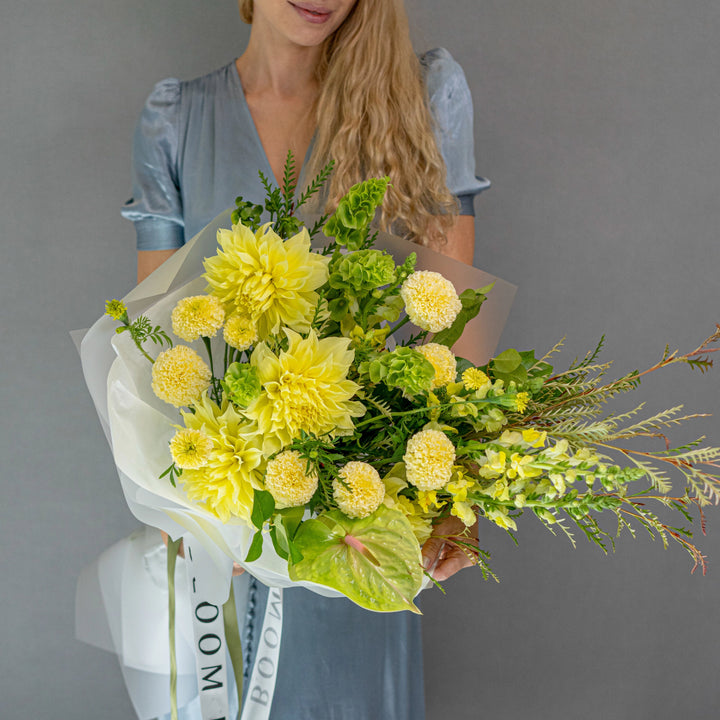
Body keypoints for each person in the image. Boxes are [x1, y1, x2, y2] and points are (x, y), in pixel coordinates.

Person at [121, 1, 489, 717]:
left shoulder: (422, 98)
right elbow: (154, 345)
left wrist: (459, 487)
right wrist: (188, 518)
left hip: (366, 513)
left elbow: (456, 319)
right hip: (221, 512)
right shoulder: (173, 119)